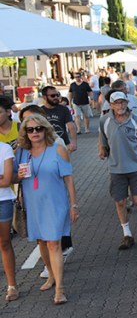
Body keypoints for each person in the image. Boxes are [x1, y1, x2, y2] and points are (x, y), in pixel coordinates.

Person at [14, 115, 79, 304]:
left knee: (53, 243)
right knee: (41, 242)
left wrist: (74, 205)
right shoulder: (21, 153)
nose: (35, 132)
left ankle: (60, 288)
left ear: (46, 129)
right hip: (33, 204)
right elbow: (15, 179)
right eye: (30, 129)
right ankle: (50, 274)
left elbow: (69, 179)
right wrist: (17, 176)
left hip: (55, 203)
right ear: (25, 133)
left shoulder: (58, 149)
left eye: (38, 128)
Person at [99, 91, 137, 250]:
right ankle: (127, 234)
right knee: (120, 201)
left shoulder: (136, 120)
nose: (120, 106)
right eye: (117, 103)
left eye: (123, 102)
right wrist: (102, 150)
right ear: (111, 105)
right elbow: (103, 141)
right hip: (116, 169)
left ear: (127, 103)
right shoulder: (104, 121)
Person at [0, 106, 14, 302]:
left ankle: (12, 285)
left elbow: (6, 180)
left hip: (3, 199)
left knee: (4, 242)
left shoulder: (5, 148)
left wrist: (3, 178)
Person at [40, 85, 76, 152]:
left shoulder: (64, 109)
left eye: (57, 95)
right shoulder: (40, 111)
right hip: (46, 146)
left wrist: (73, 142)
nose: (56, 97)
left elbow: (71, 125)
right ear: (44, 97)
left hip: (63, 144)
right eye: (53, 96)